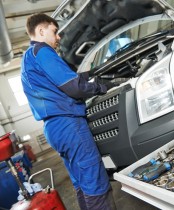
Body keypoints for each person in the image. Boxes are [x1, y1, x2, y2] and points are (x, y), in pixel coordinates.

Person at [21, 13, 117, 210]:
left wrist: (89, 74)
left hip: (54, 129)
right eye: (55, 32)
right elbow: (73, 87)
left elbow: (59, 82)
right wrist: (103, 87)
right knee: (95, 181)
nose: (58, 38)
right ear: (41, 31)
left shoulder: (28, 58)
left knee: (81, 184)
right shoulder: (43, 52)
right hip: (69, 125)